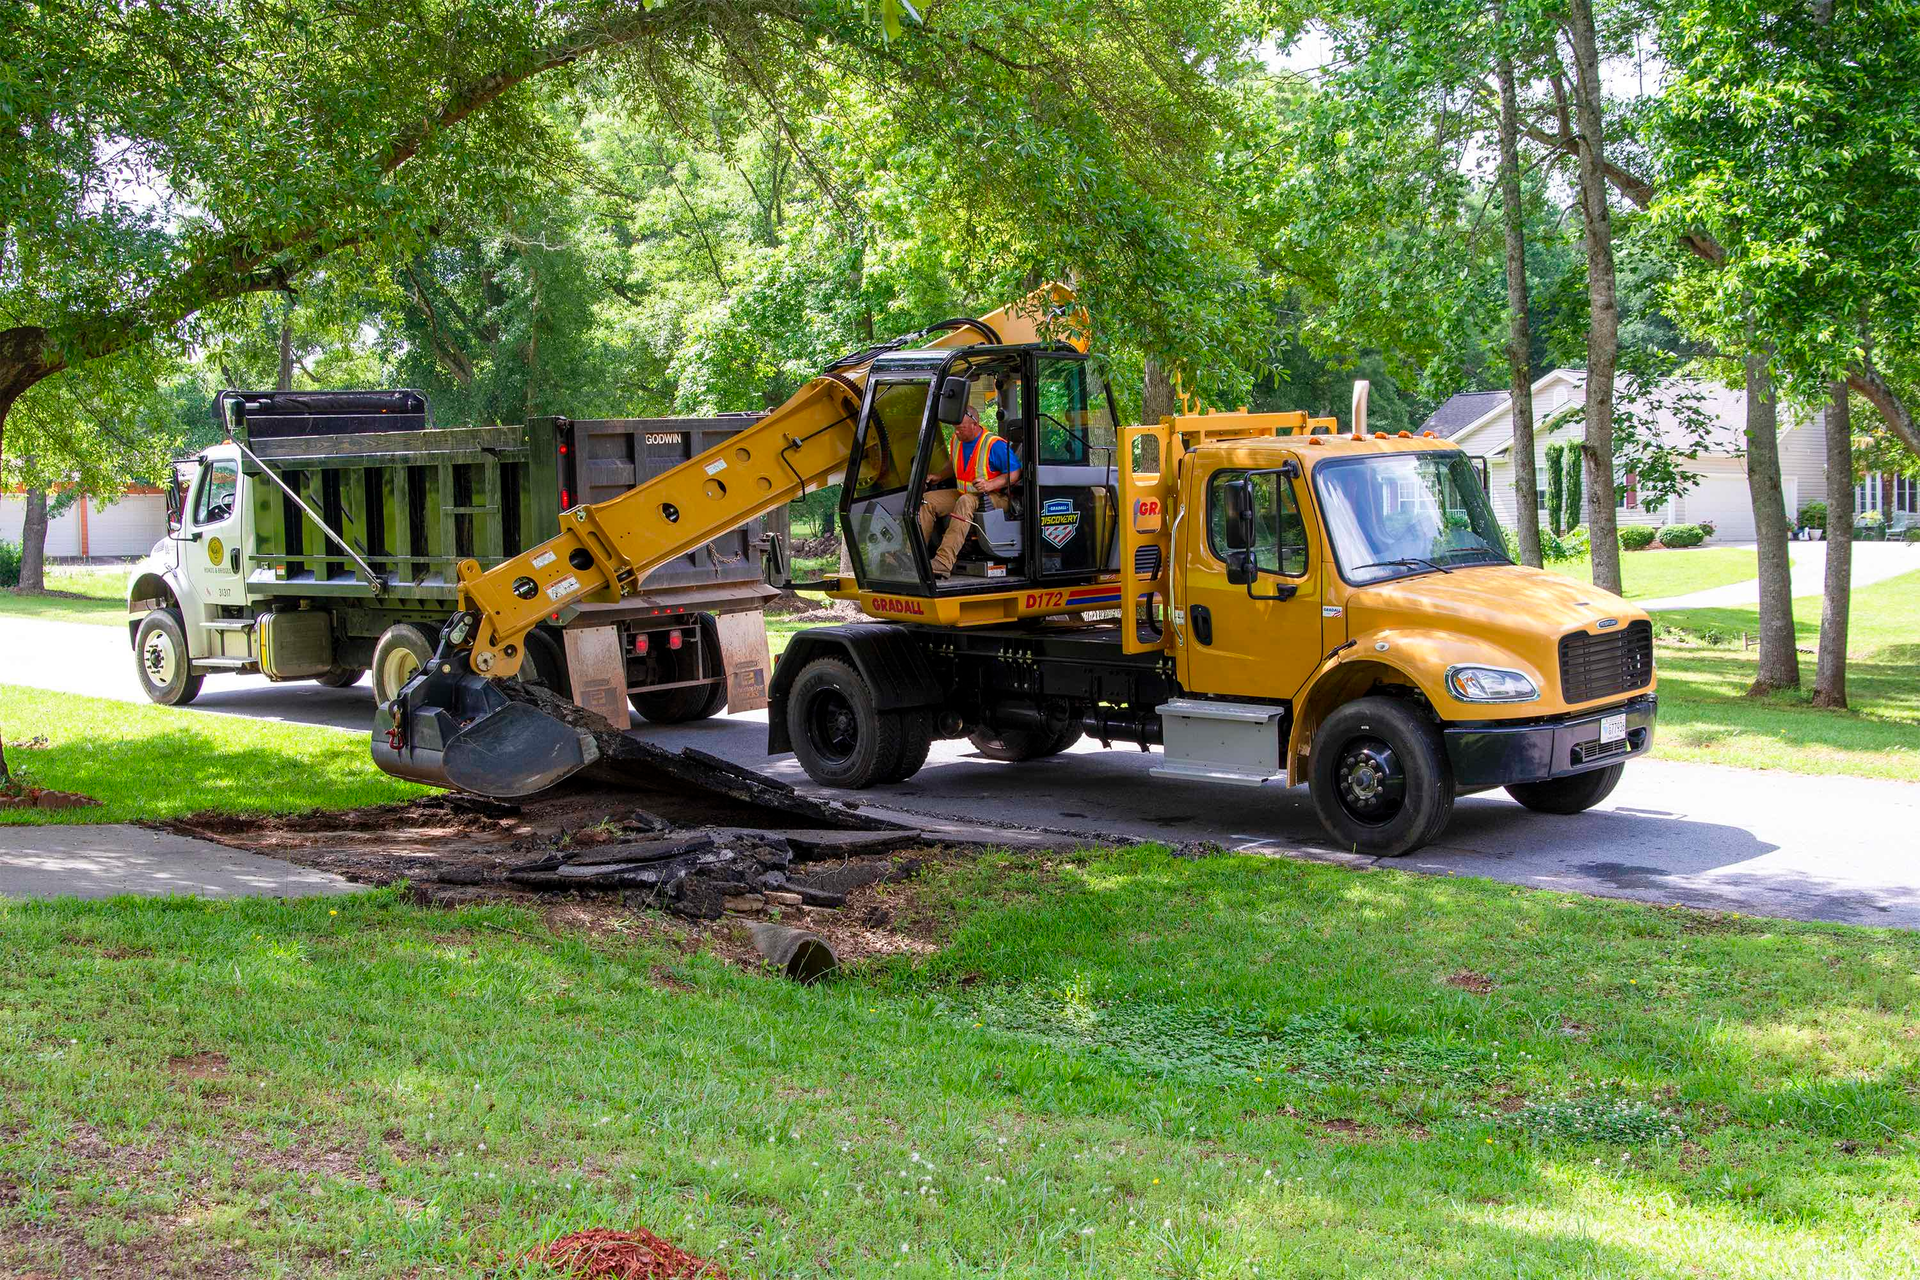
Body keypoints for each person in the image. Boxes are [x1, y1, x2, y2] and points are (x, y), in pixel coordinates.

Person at [918, 402, 1021, 578]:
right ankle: (914, 557)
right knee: (928, 500)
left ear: (975, 425)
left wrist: (990, 485)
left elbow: (1015, 473)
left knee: (966, 502)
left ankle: (942, 562)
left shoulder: (993, 444)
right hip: (963, 494)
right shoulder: (957, 440)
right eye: (955, 428)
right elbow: (953, 464)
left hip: (996, 497)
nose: (957, 432)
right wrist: (939, 476)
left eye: (961, 428)